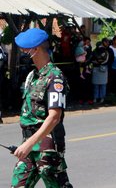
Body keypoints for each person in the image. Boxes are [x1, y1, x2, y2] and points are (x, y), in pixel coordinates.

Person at [11, 28, 73, 187]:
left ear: (36, 49)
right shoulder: (32, 76)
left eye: (25, 49)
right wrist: (28, 143)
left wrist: (29, 143)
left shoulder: (54, 77)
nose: (23, 52)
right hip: (29, 145)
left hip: (47, 147)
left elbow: (54, 117)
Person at [91, 40, 110, 104]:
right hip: (98, 68)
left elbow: (107, 60)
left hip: (102, 68)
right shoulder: (95, 51)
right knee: (97, 84)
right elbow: (92, 59)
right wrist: (99, 62)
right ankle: (97, 98)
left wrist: (99, 62)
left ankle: (101, 98)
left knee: (102, 84)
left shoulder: (105, 51)